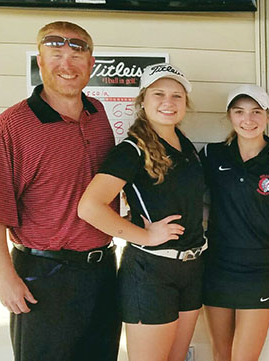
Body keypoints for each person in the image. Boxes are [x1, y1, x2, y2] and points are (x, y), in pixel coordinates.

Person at [0, 21, 120, 361]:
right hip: (44, 277)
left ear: (91, 64)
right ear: (40, 62)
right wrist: (5, 277)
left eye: (76, 56)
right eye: (56, 55)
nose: (66, 66)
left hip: (102, 271)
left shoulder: (98, 114)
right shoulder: (14, 124)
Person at [78, 63, 206, 361]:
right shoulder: (131, 150)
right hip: (150, 273)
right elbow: (89, 207)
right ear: (142, 101)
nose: (168, 102)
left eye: (177, 96)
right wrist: (144, 235)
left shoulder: (184, 145)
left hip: (191, 268)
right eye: (159, 94)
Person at [200, 84, 269, 361]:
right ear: (230, 116)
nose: (248, 120)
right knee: (222, 355)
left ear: (268, 116)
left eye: (256, 112)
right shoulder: (212, 156)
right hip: (216, 267)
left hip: (259, 271)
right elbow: (184, 197)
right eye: (239, 112)